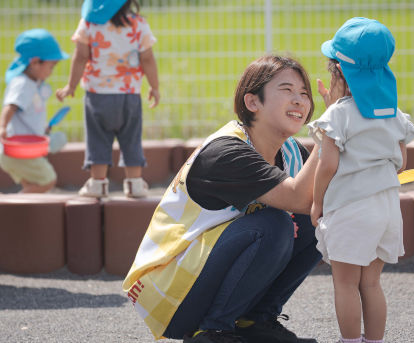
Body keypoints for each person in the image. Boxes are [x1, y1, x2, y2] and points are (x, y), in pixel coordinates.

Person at [123, 54, 344, 343]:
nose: (300, 101)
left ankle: (256, 322)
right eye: (287, 90)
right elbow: (299, 198)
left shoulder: (290, 152)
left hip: (201, 276)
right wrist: (330, 125)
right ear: (253, 102)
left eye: (304, 93)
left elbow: (322, 197)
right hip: (171, 294)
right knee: (274, 224)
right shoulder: (227, 152)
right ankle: (214, 332)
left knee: (321, 216)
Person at [308, 18, 414, 343]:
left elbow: (327, 164)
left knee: (345, 283)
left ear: (339, 74)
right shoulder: (394, 114)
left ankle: (350, 341)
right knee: (370, 283)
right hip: (386, 209)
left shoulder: (337, 116)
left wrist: (317, 202)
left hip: (349, 208)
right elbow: (401, 161)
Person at [56, 0, 159, 198]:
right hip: (129, 96)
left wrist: (71, 86)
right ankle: (135, 184)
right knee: (131, 138)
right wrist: (154, 87)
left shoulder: (89, 24)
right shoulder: (139, 24)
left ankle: (98, 183)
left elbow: (80, 56)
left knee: (98, 138)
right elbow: (147, 59)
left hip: (97, 95)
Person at [0, 28, 69, 193]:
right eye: (51, 66)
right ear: (35, 62)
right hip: (17, 149)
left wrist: (42, 129)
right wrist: (2, 127)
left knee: (31, 183)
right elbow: (10, 106)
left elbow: (28, 114)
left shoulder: (33, 83)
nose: (52, 72)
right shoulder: (23, 84)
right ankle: (11, 207)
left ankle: (23, 212)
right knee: (48, 180)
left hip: (17, 151)